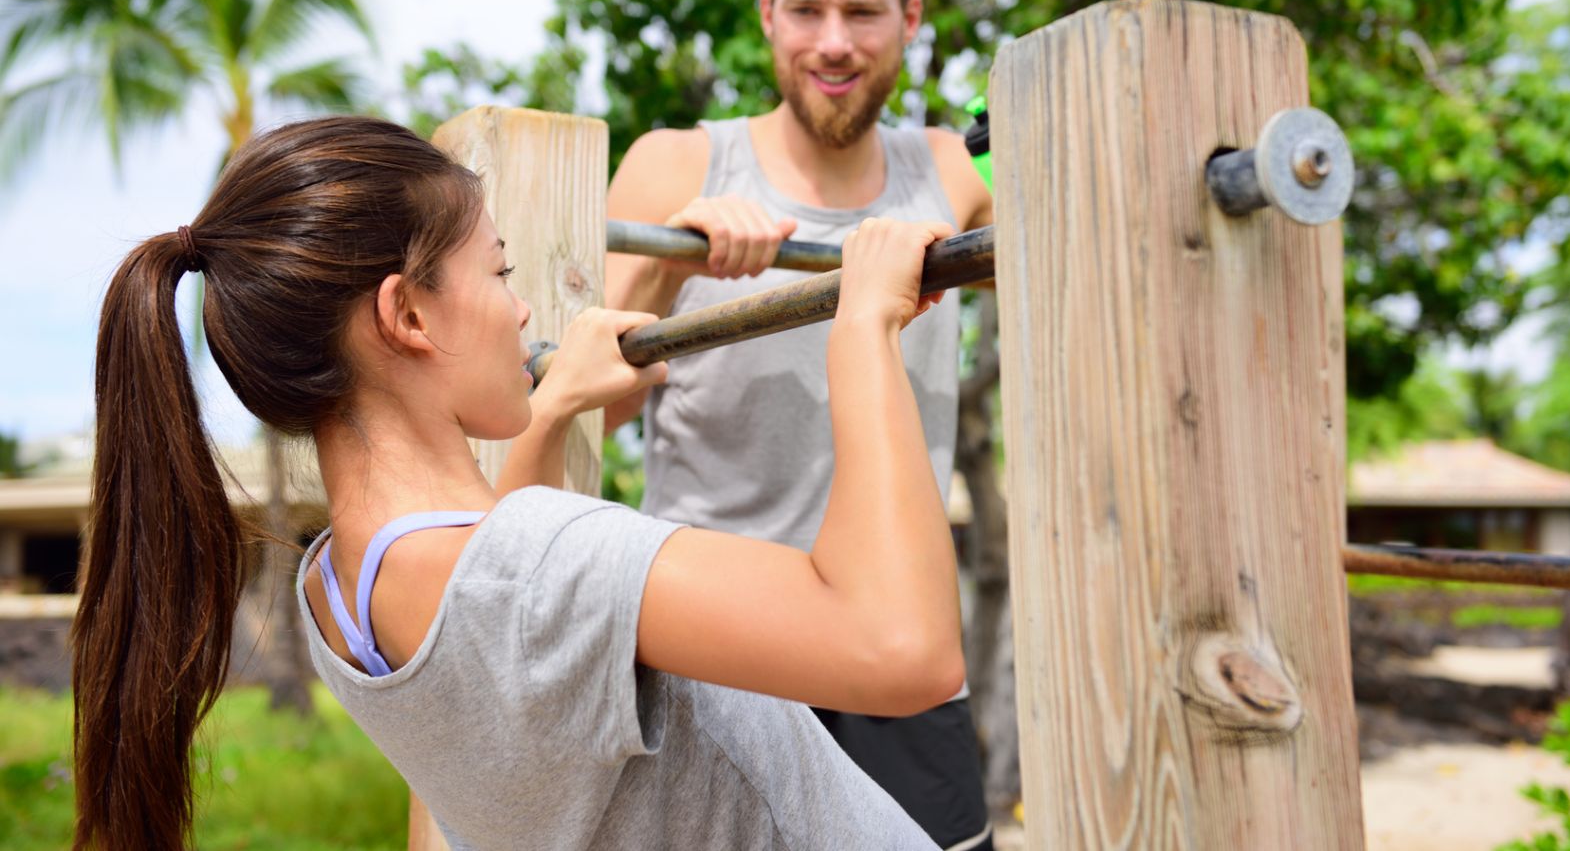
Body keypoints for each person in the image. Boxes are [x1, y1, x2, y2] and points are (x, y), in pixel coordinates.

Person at [71, 115, 966, 851]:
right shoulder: (537, 569)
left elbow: (507, 613)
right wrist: (862, 328)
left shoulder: (339, 589)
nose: (524, 307)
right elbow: (901, 649)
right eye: (498, 270)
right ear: (408, 313)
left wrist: (555, 405)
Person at [606, 0, 994, 850]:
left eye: (863, 11)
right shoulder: (677, 164)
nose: (834, 42)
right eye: (808, 9)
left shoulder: (950, 175)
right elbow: (577, 406)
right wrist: (671, 262)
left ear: (908, 19)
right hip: (721, 640)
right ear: (767, 14)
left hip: (896, 636)